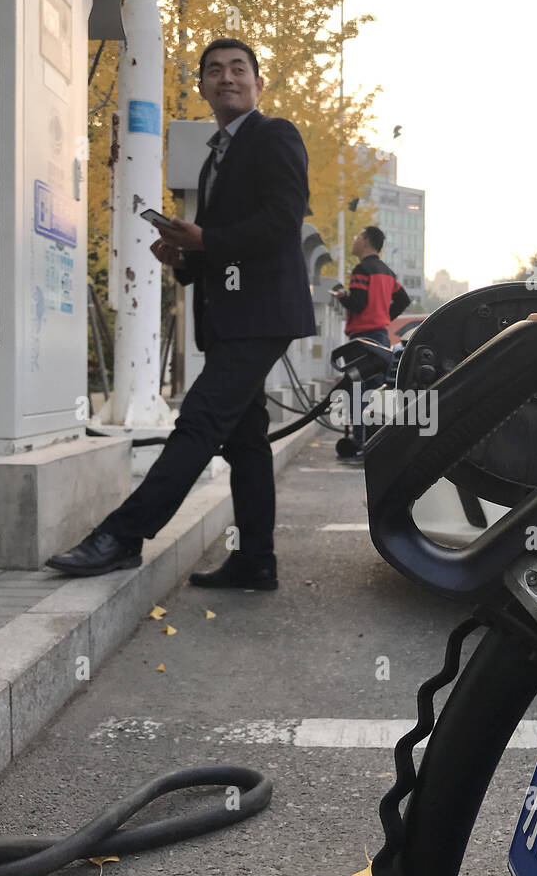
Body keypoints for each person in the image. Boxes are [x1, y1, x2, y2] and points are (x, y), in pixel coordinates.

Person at [47, 38, 315, 589]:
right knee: (245, 440)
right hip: (228, 317)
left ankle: (124, 535)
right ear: (202, 86)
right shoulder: (216, 154)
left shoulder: (274, 135)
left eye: (238, 69)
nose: (227, 78)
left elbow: (281, 224)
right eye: (214, 71)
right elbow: (217, 246)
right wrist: (185, 254)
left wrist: (206, 239)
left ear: (258, 83)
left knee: (197, 421)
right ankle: (255, 561)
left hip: (261, 315)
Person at [331, 226, 410, 458]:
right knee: (377, 391)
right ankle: (377, 443)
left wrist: (342, 297)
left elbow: (358, 303)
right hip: (381, 337)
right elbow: (403, 299)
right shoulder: (387, 272)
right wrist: (384, 317)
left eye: (357, 236)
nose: (354, 240)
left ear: (365, 241)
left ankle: (360, 442)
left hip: (361, 340)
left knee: (358, 389)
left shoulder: (361, 270)